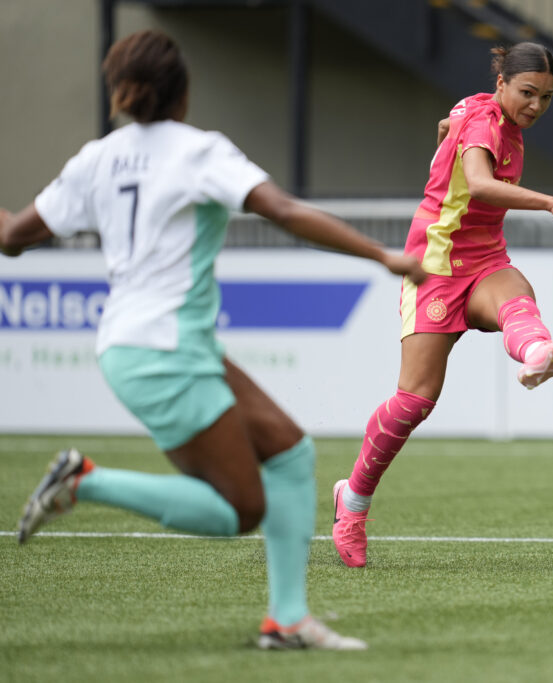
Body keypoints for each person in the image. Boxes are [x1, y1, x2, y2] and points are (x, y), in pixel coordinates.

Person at [1, 30, 426, 651]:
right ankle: (83, 482)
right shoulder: (198, 151)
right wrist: (379, 254)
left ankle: (288, 621)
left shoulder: (97, 157)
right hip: (163, 352)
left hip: (146, 345)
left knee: (289, 454)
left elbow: (13, 237)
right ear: (184, 92)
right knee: (239, 509)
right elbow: (280, 209)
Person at [330, 42, 553, 569]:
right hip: (432, 266)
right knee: (415, 401)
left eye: (546, 97)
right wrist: (551, 201)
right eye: (527, 93)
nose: (536, 106)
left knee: (515, 294)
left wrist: (443, 148)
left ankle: (538, 353)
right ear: (502, 84)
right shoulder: (486, 122)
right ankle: (353, 502)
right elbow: (477, 182)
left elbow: (444, 130)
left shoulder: (476, 109)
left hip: (483, 260)